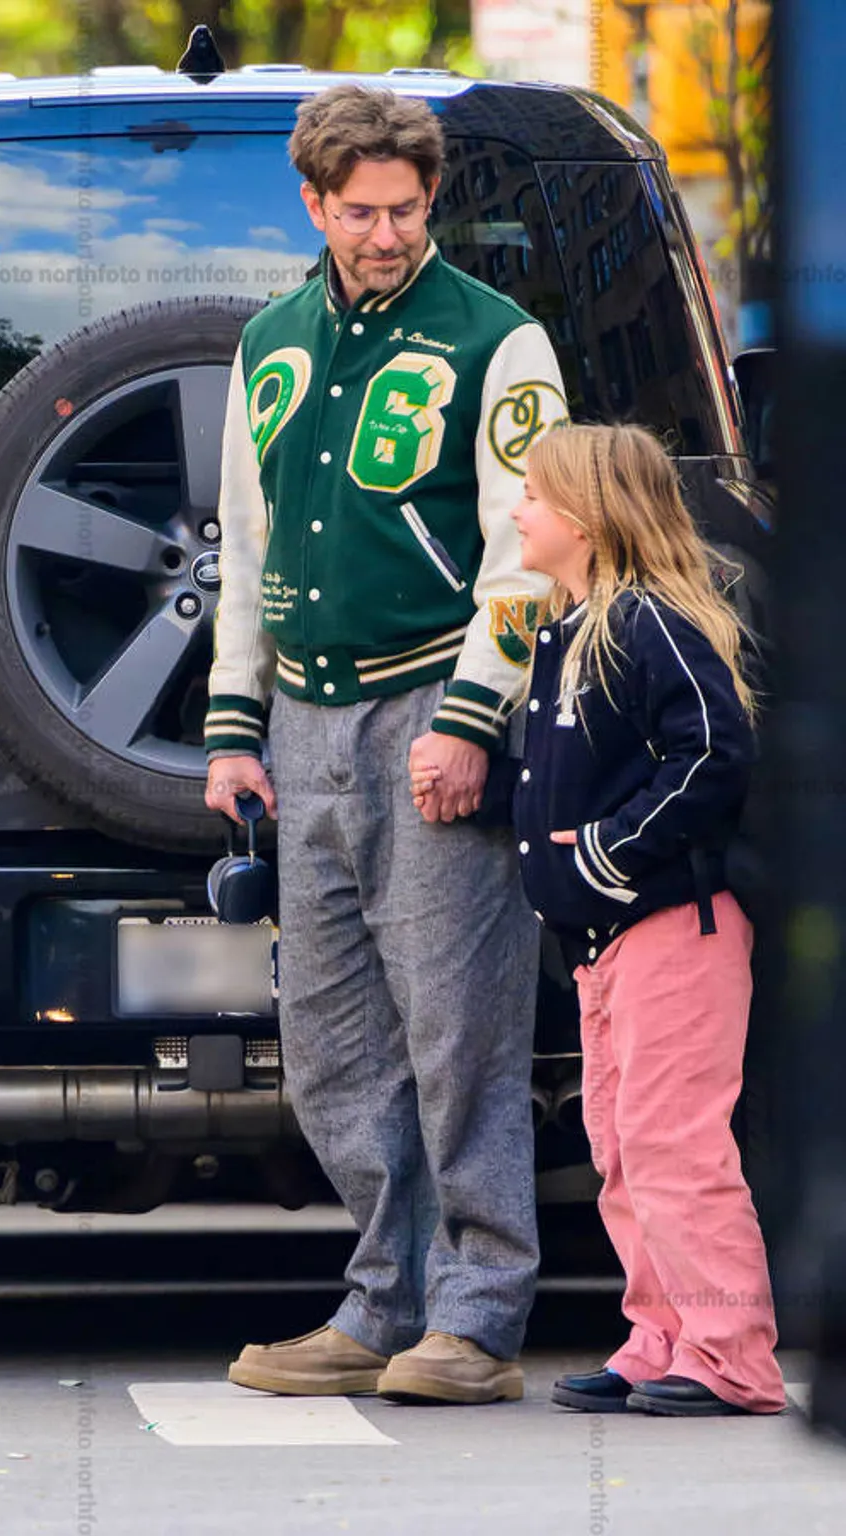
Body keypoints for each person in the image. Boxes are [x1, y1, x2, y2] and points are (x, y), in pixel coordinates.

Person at [204, 84, 568, 1405]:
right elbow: (242, 549)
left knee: (460, 1029)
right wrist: (232, 726)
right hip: (302, 715)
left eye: (405, 211)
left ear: (431, 202)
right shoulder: (272, 342)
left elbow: (523, 550)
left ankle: (475, 1317)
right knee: (331, 1037)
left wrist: (477, 716)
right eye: (359, 212)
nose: (385, 235)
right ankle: (383, 1301)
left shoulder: (499, 339)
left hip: (431, 702)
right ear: (313, 204)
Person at [418, 422, 785, 1415]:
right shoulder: (568, 631)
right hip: (602, 941)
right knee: (619, 1147)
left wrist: (609, 853)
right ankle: (658, 1335)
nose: (516, 513)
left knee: (675, 1144)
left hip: (675, 925)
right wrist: (492, 790)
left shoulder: (649, 622)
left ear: (584, 518)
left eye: (530, 497)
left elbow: (711, 753)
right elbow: (570, 780)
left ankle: (730, 1357)